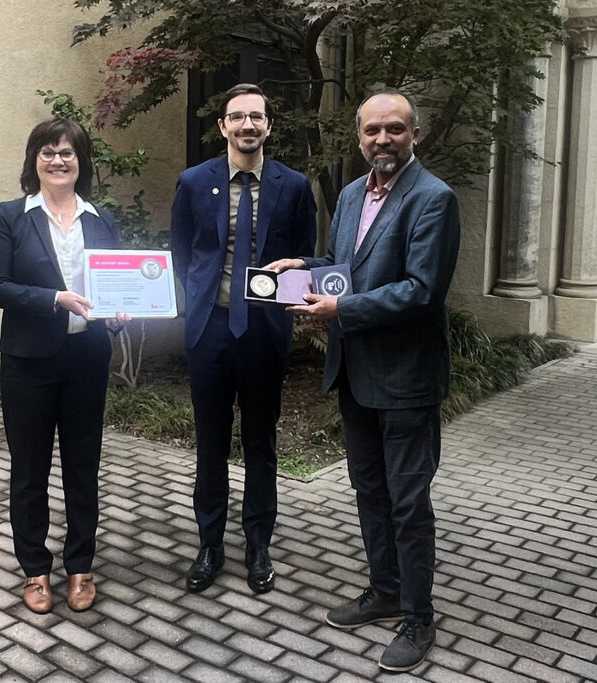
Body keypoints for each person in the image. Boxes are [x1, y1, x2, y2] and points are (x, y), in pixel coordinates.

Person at [267, 89, 460, 672]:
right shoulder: (351, 195)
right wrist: (307, 270)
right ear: (359, 138)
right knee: (369, 492)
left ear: (414, 134)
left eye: (395, 129)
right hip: (354, 374)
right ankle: (384, 590)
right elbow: (343, 270)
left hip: (406, 380)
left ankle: (418, 615)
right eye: (373, 131)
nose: (383, 140)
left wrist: (340, 312)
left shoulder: (433, 199)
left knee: (408, 502)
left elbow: (422, 291)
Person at [170, 83, 316, 594]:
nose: (247, 125)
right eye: (238, 117)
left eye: (256, 117)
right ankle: (210, 544)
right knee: (210, 442)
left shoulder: (294, 185)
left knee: (260, 441)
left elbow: (303, 256)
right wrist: (196, 302)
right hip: (210, 330)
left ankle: (258, 544)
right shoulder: (194, 181)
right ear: (223, 126)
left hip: (263, 331)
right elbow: (183, 252)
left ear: (269, 126)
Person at [0, 118, 128, 614]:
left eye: (67, 152)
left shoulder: (101, 220)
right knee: (29, 472)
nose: (58, 160)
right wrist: (54, 297)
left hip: (87, 360)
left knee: (83, 469)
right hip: (28, 364)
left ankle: (81, 567)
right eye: (47, 152)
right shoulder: (11, 216)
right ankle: (35, 571)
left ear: (80, 161)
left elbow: (114, 287)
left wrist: (120, 313)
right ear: (34, 160)